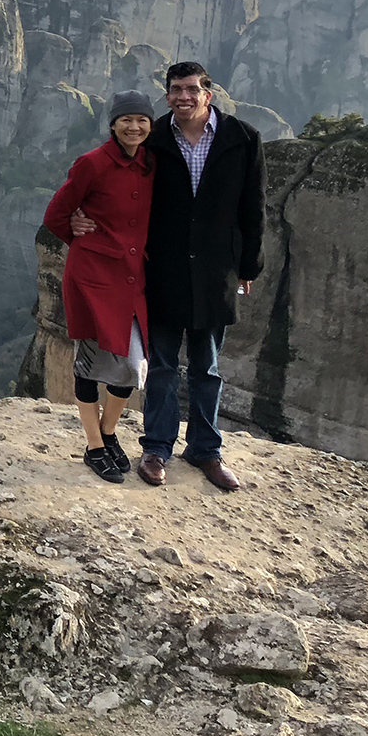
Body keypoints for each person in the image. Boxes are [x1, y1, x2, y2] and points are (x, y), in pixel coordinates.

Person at [77, 61, 265, 491]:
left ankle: (205, 450)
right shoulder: (154, 138)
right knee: (160, 365)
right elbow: (117, 189)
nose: (184, 96)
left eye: (192, 89)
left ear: (208, 94)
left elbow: (254, 208)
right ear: (167, 96)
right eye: (176, 89)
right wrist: (79, 219)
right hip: (160, 269)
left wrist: (248, 266)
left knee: (208, 367)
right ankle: (157, 448)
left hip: (217, 269)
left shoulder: (243, 138)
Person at [41, 92, 157, 483]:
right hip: (92, 279)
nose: (134, 127)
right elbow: (56, 214)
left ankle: (109, 433)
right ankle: (94, 446)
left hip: (131, 278)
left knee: (130, 365)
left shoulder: (150, 163)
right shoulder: (92, 163)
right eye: (126, 120)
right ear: (113, 124)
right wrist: (80, 237)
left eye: (142, 120)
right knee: (89, 364)